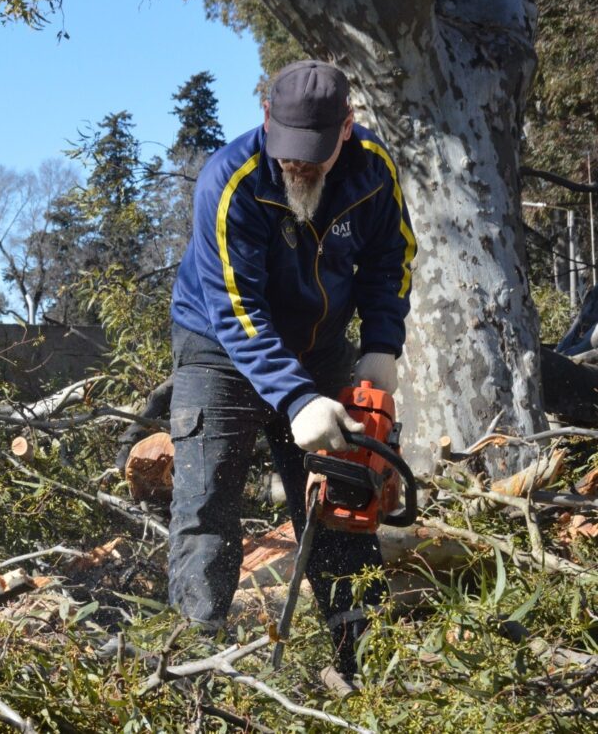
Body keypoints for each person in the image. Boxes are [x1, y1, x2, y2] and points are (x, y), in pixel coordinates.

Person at [168, 59, 416, 677]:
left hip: (322, 341)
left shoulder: (374, 172)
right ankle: (196, 666)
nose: (298, 166)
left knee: (343, 500)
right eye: (288, 150)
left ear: (347, 130)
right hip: (219, 348)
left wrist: (381, 345)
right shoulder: (230, 181)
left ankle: (364, 668)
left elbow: (392, 260)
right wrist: (295, 398)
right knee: (209, 501)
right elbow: (236, 308)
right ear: (266, 120)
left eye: (314, 153)